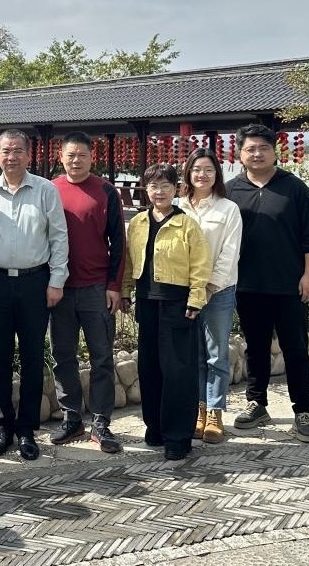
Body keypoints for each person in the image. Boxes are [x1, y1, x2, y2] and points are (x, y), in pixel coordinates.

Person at [226, 124, 309, 443]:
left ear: (274, 151)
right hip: (247, 285)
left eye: (263, 148)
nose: (257, 154)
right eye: (250, 149)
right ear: (240, 154)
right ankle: (257, 403)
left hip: (289, 285)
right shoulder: (230, 191)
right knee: (255, 348)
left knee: (295, 348)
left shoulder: (294, 188)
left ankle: (303, 410)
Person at [0, 129, 69, 461]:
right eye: (6, 151)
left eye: (17, 150)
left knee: (32, 355)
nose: (11, 156)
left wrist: (56, 280)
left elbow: (59, 237)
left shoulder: (45, 190)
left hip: (34, 282)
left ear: (29, 155)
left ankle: (27, 428)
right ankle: (4, 426)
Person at [120, 163, 211, 461]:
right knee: (150, 368)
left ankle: (178, 436)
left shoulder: (187, 225)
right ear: (145, 189)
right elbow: (129, 262)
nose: (159, 191)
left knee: (178, 371)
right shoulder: (138, 222)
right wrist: (125, 292)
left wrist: (195, 299)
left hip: (177, 304)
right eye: (153, 186)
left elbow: (201, 265)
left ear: (177, 189)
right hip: (147, 302)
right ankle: (156, 428)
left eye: (165, 186)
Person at [49, 131, 125, 453]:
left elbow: (118, 242)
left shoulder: (106, 191)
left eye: (82, 155)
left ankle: (101, 422)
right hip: (61, 289)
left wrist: (114, 285)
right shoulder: (50, 189)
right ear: (61, 157)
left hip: (96, 289)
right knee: (62, 356)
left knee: (102, 358)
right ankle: (71, 419)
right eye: (70, 155)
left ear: (92, 158)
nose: (76, 160)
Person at [178, 147, 243, 444]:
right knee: (194, 354)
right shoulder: (178, 206)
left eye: (208, 169)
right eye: (196, 169)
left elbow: (230, 253)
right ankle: (199, 409)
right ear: (188, 173)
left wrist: (208, 287)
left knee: (216, 354)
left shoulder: (228, 209)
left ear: (217, 174)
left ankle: (215, 412)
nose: (201, 175)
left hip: (219, 291)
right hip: (184, 291)